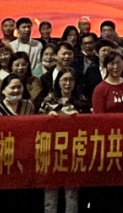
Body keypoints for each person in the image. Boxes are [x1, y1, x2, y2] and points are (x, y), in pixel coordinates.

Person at [39, 68, 88, 213]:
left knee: (71, 193)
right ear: (58, 82)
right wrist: (48, 118)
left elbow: (90, 126)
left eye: (71, 80)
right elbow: (37, 124)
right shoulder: (48, 100)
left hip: (73, 151)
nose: (67, 83)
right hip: (51, 151)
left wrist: (79, 118)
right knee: (50, 192)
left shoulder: (82, 101)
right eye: (64, 80)